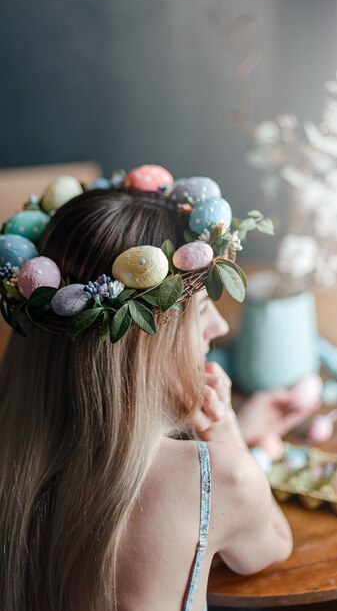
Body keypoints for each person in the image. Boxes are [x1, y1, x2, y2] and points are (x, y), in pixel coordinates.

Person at [0, 176, 317, 611]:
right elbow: (270, 548)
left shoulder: (16, 465)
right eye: (204, 310)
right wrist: (226, 434)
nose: (220, 328)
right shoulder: (218, 480)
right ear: (149, 342)